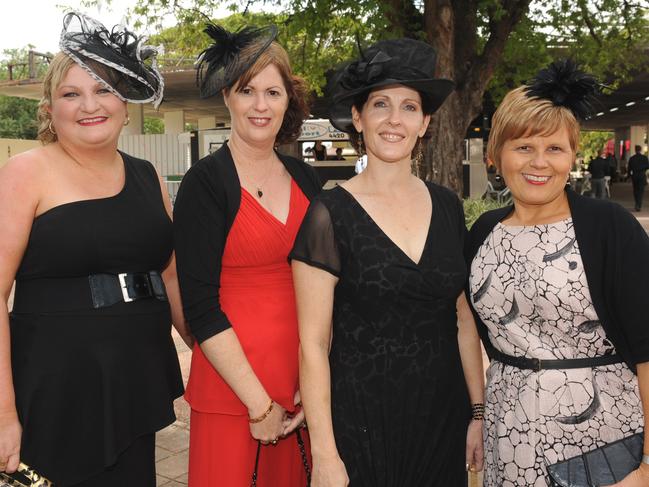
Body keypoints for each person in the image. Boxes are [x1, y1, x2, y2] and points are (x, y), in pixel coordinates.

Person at [0, 12, 188, 486]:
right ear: (50, 108)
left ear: (126, 103)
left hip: (135, 381)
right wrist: (3, 415)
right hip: (54, 390)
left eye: (104, 89)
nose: (90, 105)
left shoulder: (148, 177)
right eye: (71, 93)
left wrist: (210, 354)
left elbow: (169, 275)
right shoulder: (25, 174)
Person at [290, 38, 485, 486]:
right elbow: (313, 344)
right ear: (358, 118)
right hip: (362, 425)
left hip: (441, 417)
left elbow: (462, 318)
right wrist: (325, 455)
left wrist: (478, 411)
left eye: (409, 107)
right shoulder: (329, 213)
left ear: (425, 122)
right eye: (380, 104)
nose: (395, 119)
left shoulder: (448, 206)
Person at [466, 60, 649, 487]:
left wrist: (648, 464)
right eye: (524, 147)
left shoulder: (610, 227)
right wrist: (476, 416)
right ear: (497, 155)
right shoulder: (483, 232)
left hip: (603, 443)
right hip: (509, 436)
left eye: (554, 148)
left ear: (572, 156)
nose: (540, 162)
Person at [173, 23, 321, 487]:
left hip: (301, 381)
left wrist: (315, 379)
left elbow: (327, 284)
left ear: (287, 101)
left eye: (273, 92)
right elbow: (199, 305)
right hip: (234, 388)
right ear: (227, 98)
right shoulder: (205, 182)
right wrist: (258, 403)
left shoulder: (306, 179)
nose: (261, 105)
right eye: (247, 90)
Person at [628, 145, 649, 211]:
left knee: (635, 190)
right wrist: (643, 169)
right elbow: (648, 166)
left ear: (635, 150)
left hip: (635, 176)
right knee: (641, 191)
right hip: (642, 175)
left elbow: (629, 168)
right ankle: (638, 205)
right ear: (640, 150)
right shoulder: (644, 158)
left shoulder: (632, 158)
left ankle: (637, 203)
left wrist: (629, 176)